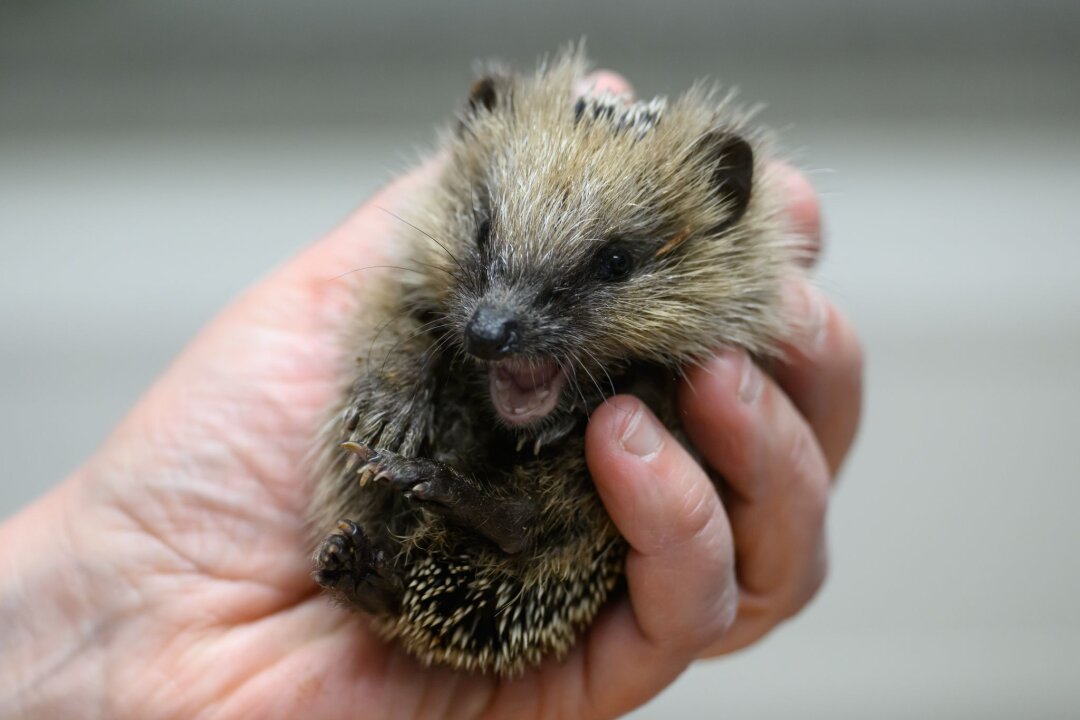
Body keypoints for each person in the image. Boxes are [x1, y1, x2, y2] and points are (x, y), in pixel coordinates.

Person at [0, 71, 862, 719]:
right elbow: (409, 323)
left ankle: (460, 530)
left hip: (523, 544)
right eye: (487, 243)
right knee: (403, 375)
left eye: (606, 269)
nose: (490, 323)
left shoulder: (707, 334)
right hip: (432, 494)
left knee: (609, 483)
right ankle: (426, 539)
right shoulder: (439, 297)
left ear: (721, 210)